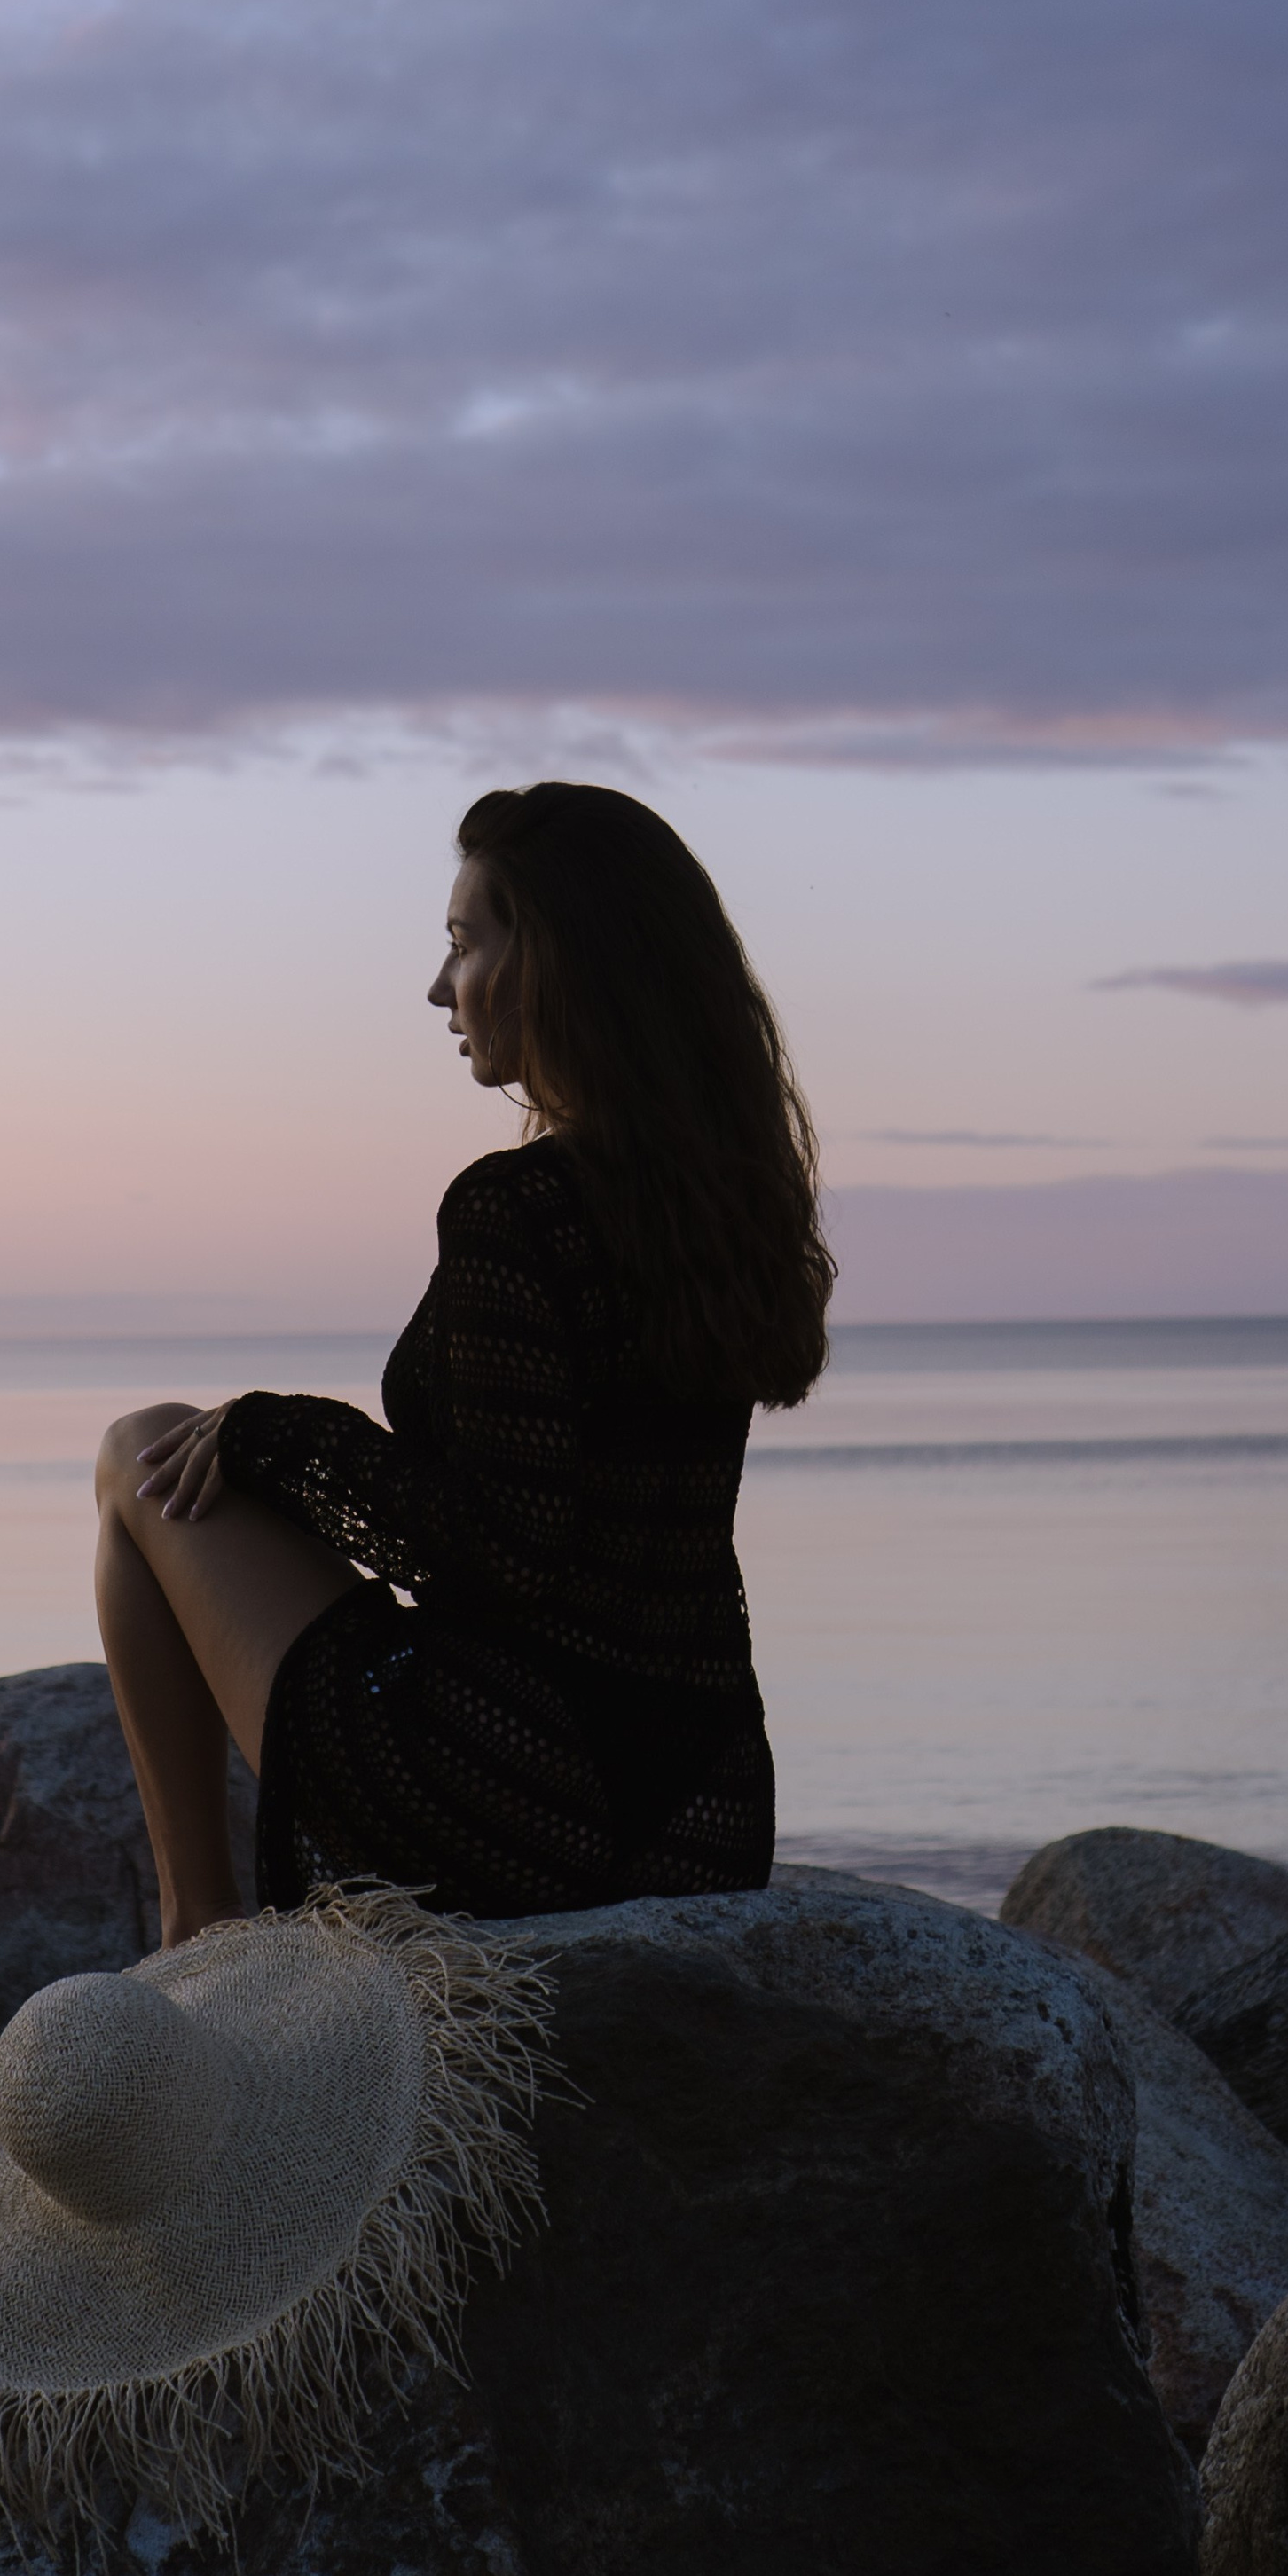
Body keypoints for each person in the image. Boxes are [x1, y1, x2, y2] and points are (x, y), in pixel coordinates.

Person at [93, 780, 835, 1942]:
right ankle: (203, 1924)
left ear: (552, 959)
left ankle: (200, 1927)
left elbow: (494, 1550)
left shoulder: (520, 1209)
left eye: (460, 944)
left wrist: (275, 1432)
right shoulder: (720, 1205)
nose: (440, 988)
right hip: (706, 1809)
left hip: (513, 1790)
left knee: (140, 1451)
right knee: (178, 1453)